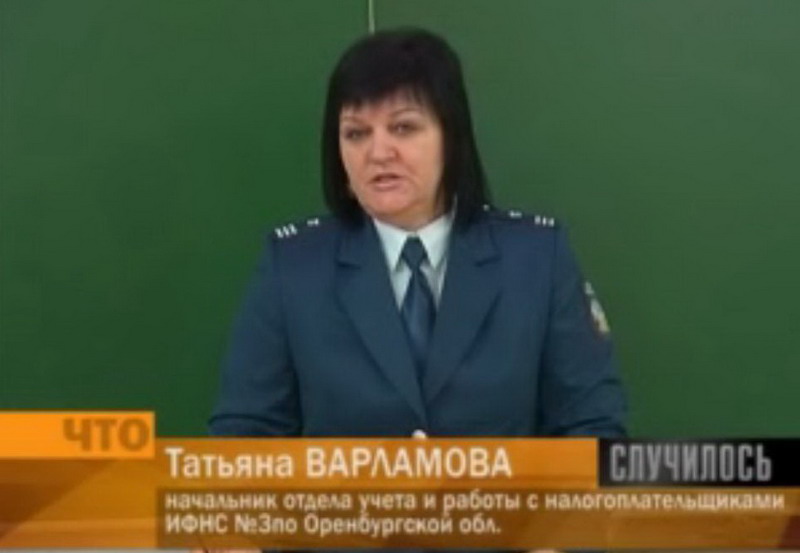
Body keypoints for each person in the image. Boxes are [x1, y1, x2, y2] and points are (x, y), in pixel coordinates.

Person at [210, 28, 625, 440]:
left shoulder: (537, 260)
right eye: (356, 133)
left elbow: (592, 428)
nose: (378, 153)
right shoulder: (294, 269)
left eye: (404, 128)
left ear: (452, 137)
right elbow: (244, 441)